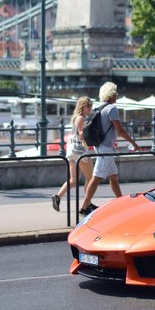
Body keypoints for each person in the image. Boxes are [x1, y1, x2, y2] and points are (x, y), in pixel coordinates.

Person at [80, 82, 140, 215]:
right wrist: (133, 143)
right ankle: (84, 206)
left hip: (100, 146)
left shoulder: (99, 107)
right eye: (116, 93)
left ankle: (121, 202)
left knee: (113, 177)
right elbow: (120, 130)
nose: (117, 96)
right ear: (112, 95)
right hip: (106, 148)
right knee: (96, 178)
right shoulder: (112, 109)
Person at [52, 96, 94, 211]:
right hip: (81, 151)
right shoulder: (81, 118)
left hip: (73, 152)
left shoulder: (76, 117)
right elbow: (81, 135)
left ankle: (57, 197)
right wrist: (90, 132)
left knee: (73, 180)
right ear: (82, 106)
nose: (90, 108)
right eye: (88, 106)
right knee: (90, 178)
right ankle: (87, 204)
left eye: (91, 105)